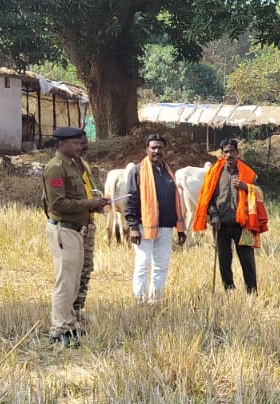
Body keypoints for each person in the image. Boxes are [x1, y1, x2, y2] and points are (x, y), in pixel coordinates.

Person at [42, 126, 108, 346]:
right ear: (62, 144)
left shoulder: (75, 165)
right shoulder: (56, 168)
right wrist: (89, 204)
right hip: (65, 228)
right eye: (76, 143)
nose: (81, 146)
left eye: (81, 143)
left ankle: (70, 323)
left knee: (76, 279)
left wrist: (95, 205)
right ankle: (59, 330)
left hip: (78, 228)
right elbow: (57, 204)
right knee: (65, 281)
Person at [191, 138, 269, 292]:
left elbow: (259, 194)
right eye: (225, 152)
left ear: (237, 153)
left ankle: (252, 292)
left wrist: (246, 187)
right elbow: (208, 198)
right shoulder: (214, 174)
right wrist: (213, 215)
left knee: (247, 260)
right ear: (221, 154)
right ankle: (229, 290)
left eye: (232, 151)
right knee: (224, 260)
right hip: (221, 223)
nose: (229, 154)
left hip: (243, 224)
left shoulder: (247, 173)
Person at [124, 134, 187, 302]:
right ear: (147, 150)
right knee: (143, 263)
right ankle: (140, 300)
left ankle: (155, 300)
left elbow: (176, 200)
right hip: (144, 226)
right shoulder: (137, 171)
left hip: (166, 227)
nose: (156, 151)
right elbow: (130, 200)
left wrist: (180, 229)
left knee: (161, 265)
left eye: (160, 148)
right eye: (153, 148)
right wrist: (133, 227)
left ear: (164, 150)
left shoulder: (168, 170)